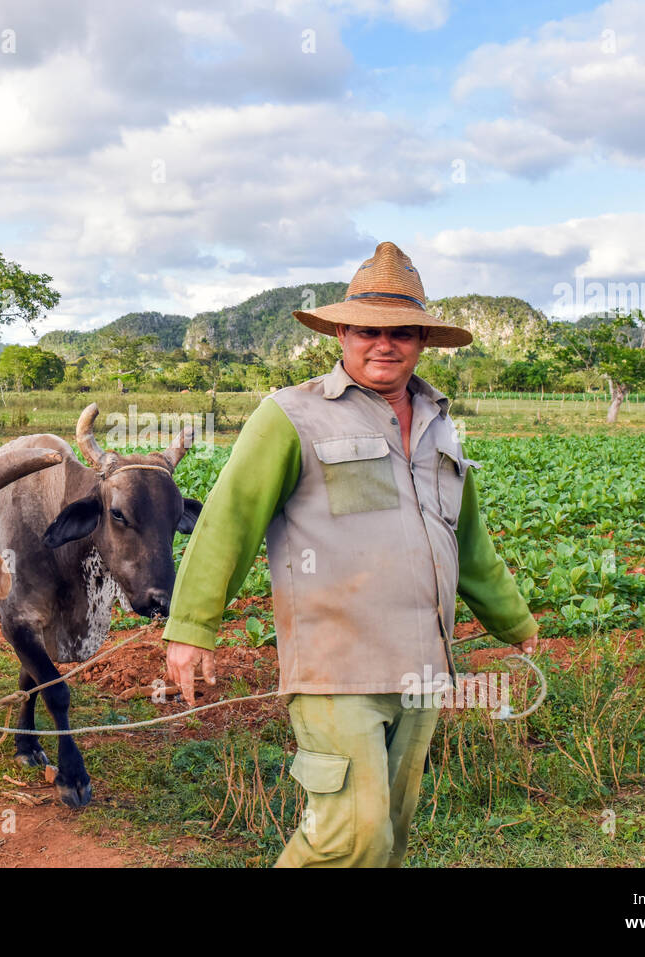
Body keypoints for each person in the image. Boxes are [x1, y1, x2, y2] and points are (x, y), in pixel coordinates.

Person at [162, 241, 540, 868]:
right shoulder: (292, 415)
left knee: (389, 832)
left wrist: (514, 620)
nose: (384, 344)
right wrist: (192, 628)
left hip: (423, 666)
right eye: (368, 330)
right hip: (336, 665)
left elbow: (467, 540)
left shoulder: (439, 423)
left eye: (402, 332)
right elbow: (228, 522)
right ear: (341, 331)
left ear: (423, 340)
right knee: (350, 836)